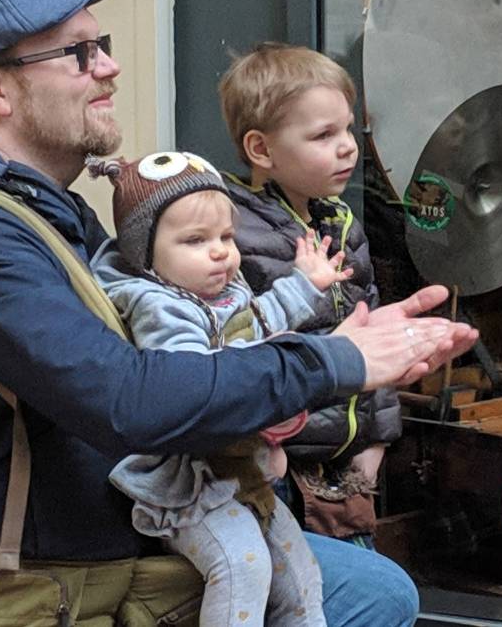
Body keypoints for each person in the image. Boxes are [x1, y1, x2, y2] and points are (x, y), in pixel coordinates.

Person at [0, 0, 477, 626]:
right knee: (370, 596)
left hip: (117, 562)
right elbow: (128, 398)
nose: (109, 68)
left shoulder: (41, 213)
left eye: (105, 48)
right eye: (80, 53)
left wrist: (323, 349)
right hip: (38, 597)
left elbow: (185, 348)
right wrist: (335, 362)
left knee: (375, 591)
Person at [89, 150, 355, 626]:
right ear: (143, 253)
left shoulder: (221, 292)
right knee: (241, 564)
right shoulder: (159, 306)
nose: (220, 251)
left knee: (301, 573)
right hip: (186, 483)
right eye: (195, 240)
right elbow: (196, 384)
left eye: (226, 236)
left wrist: (305, 285)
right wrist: (268, 397)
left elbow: (256, 322)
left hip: (241, 472)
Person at [218, 43, 398, 547]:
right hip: (276, 470)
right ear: (261, 149)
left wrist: (377, 442)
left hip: (347, 467)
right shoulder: (234, 233)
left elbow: (373, 328)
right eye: (323, 135)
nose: (347, 147)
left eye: (348, 129)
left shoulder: (342, 223)